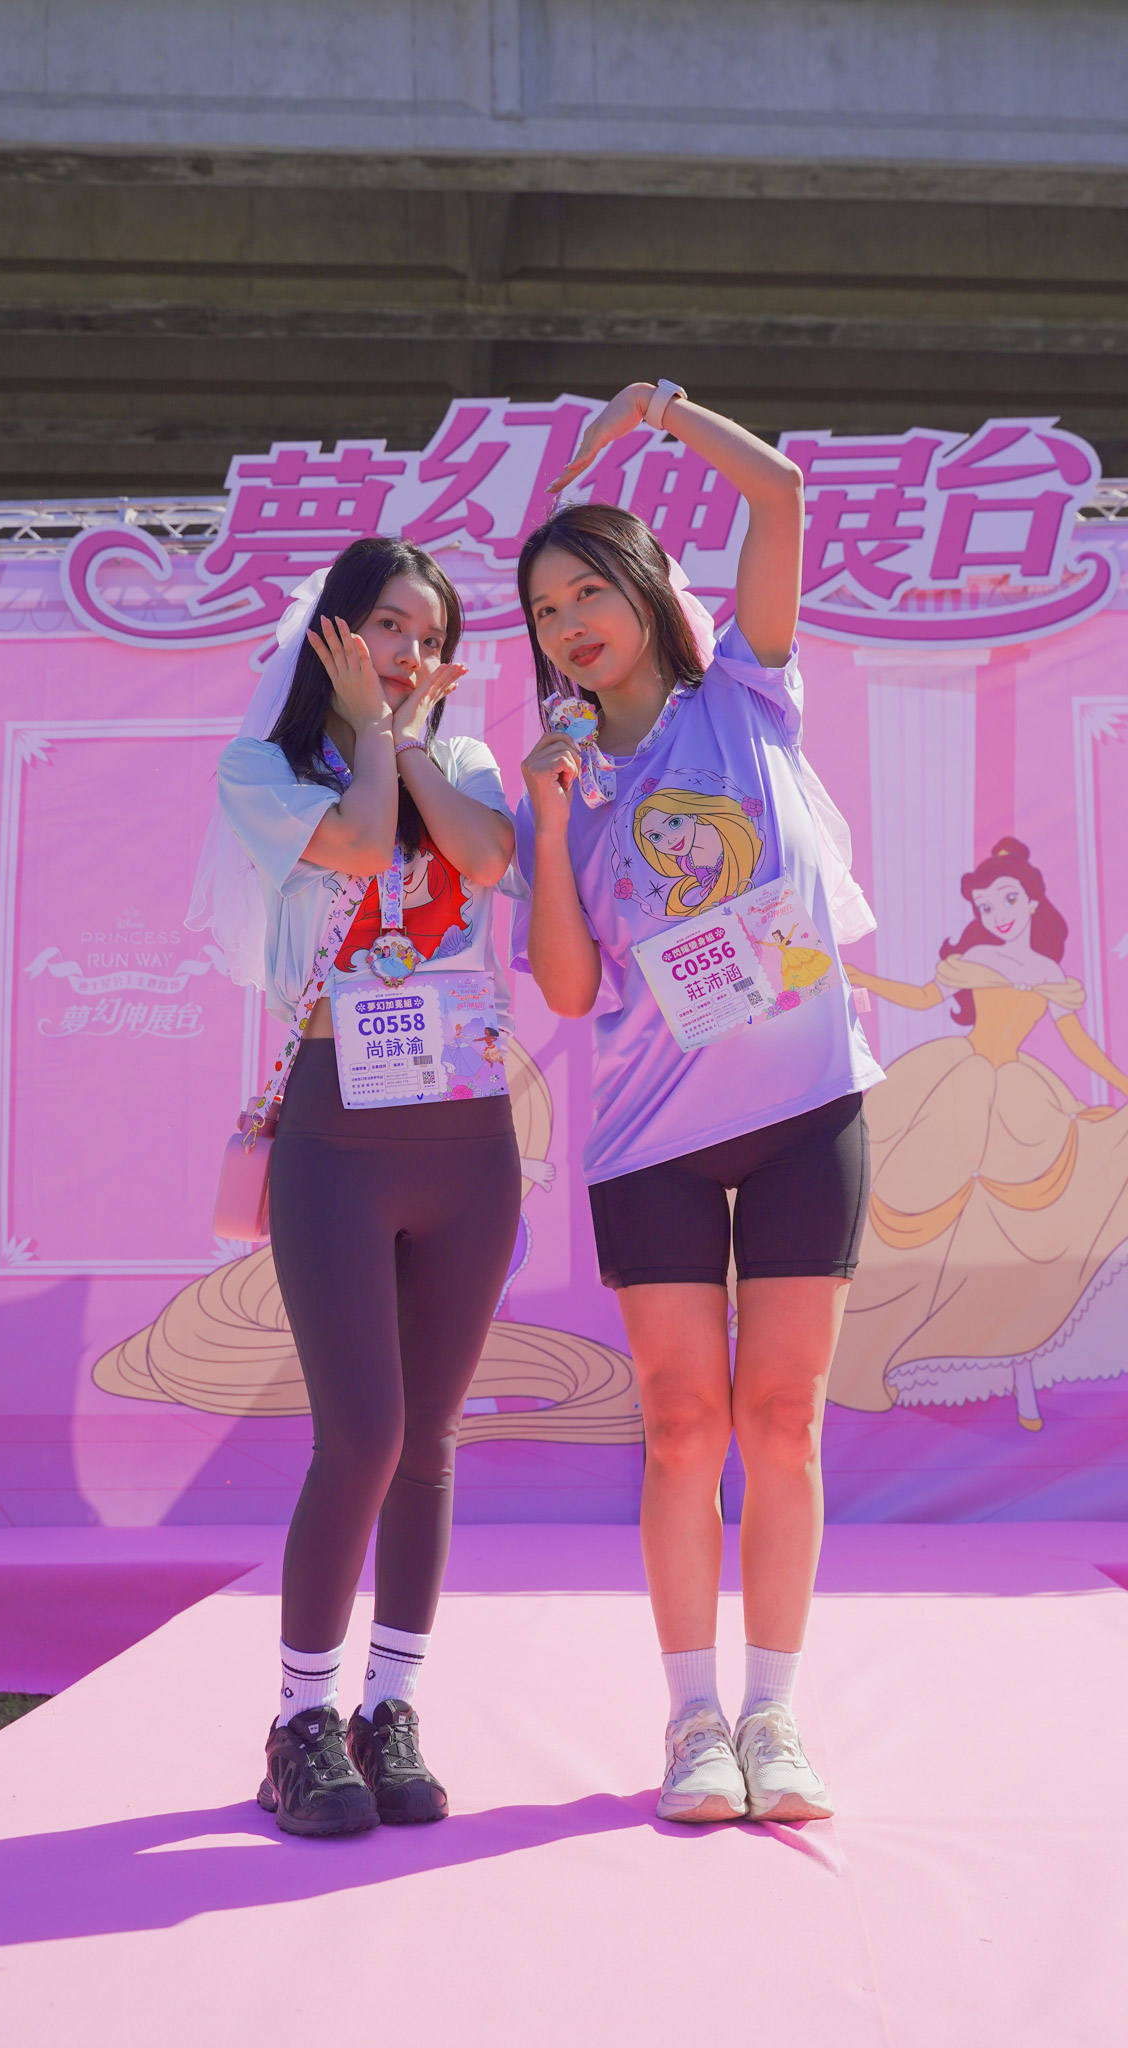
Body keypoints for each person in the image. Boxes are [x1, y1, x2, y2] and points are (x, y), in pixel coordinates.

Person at [512, 380, 883, 1824]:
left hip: (804, 1110)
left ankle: (775, 1715)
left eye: (590, 591)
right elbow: (565, 987)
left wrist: (664, 413)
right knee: (681, 1423)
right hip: (649, 1138)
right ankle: (691, 1722)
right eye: (546, 611)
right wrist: (552, 820)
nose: (570, 623)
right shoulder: (567, 780)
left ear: (651, 591)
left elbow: (780, 495)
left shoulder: (746, 691)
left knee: (782, 1417)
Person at [203, 536, 521, 1836]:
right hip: (338, 1130)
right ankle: (300, 1720)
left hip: (468, 1128)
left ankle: (391, 1709)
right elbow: (363, 841)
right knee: (364, 1435)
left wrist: (416, 738)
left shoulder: (465, 759)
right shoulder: (264, 770)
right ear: (332, 631)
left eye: (429, 635)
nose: (409, 651)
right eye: (387, 625)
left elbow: (485, 861)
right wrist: (374, 734)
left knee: (430, 1442)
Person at [834, 837, 1128, 1430]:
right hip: (955, 1083)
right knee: (922, 1210)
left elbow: (1077, 1043)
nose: (997, 914)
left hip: (1022, 1098)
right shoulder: (974, 961)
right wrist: (863, 976)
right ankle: (860, 1343)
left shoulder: (1050, 976)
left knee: (1013, 1232)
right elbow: (922, 998)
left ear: (1033, 902)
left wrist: (1122, 1083)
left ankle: (1020, 1371)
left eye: (1008, 900)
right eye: (986, 906)